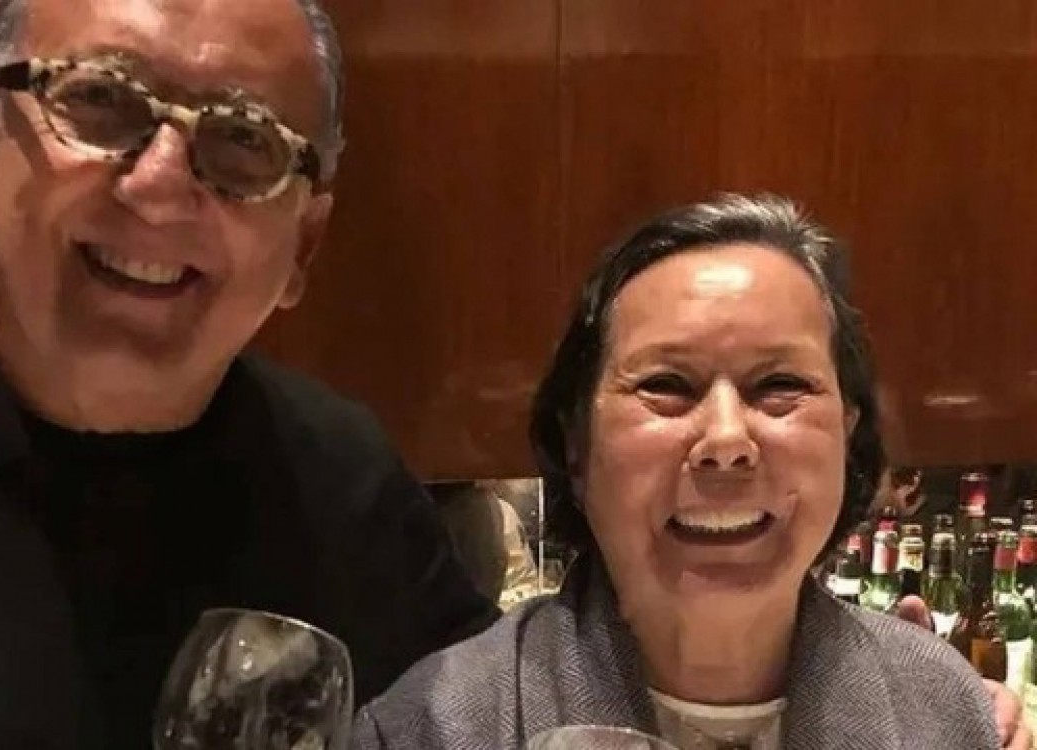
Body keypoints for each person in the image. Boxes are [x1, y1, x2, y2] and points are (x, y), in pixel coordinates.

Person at [0, 0, 498, 747]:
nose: (159, 188)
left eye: (245, 138)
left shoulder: (347, 487)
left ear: (303, 246)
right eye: (100, 98)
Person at [353, 194, 1026, 749]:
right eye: (667, 385)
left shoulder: (947, 713)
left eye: (780, 385)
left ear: (847, 436)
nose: (726, 440)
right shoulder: (429, 728)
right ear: (576, 447)